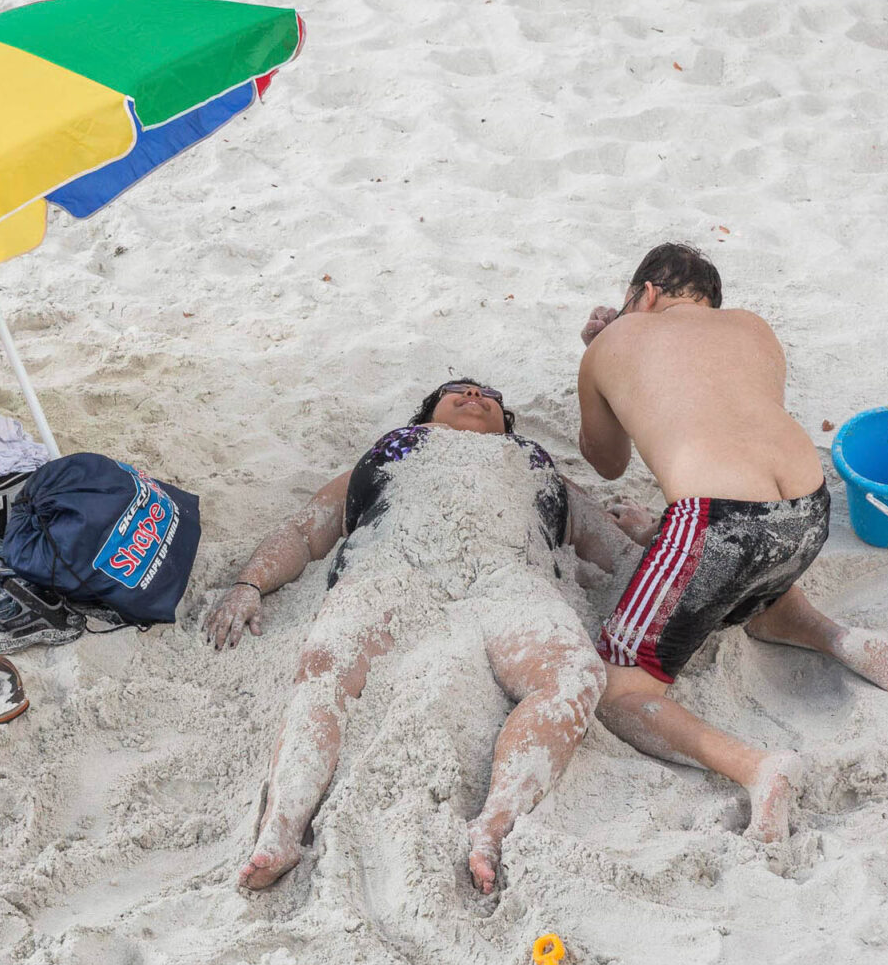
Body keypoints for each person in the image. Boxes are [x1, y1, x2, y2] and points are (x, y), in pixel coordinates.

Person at [204, 380, 634, 895]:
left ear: (506, 419)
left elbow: (617, 551)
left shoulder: (535, 464)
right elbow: (305, 531)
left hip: (508, 576)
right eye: (458, 391)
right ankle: (282, 828)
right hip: (392, 566)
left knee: (575, 675)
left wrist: (649, 532)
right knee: (325, 671)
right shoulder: (394, 450)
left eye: (487, 395)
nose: (474, 396)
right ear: (425, 414)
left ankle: (493, 824)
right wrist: (250, 584)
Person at [578, 243, 888, 843]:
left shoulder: (614, 338)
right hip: (807, 510)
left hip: (719, 525)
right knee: (749, 567)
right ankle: (838, 638)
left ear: (649, 294)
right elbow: (730, 431)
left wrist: (597, 356)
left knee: (616, 689)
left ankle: (757, 768)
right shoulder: (754, 330)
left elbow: (607, 462)